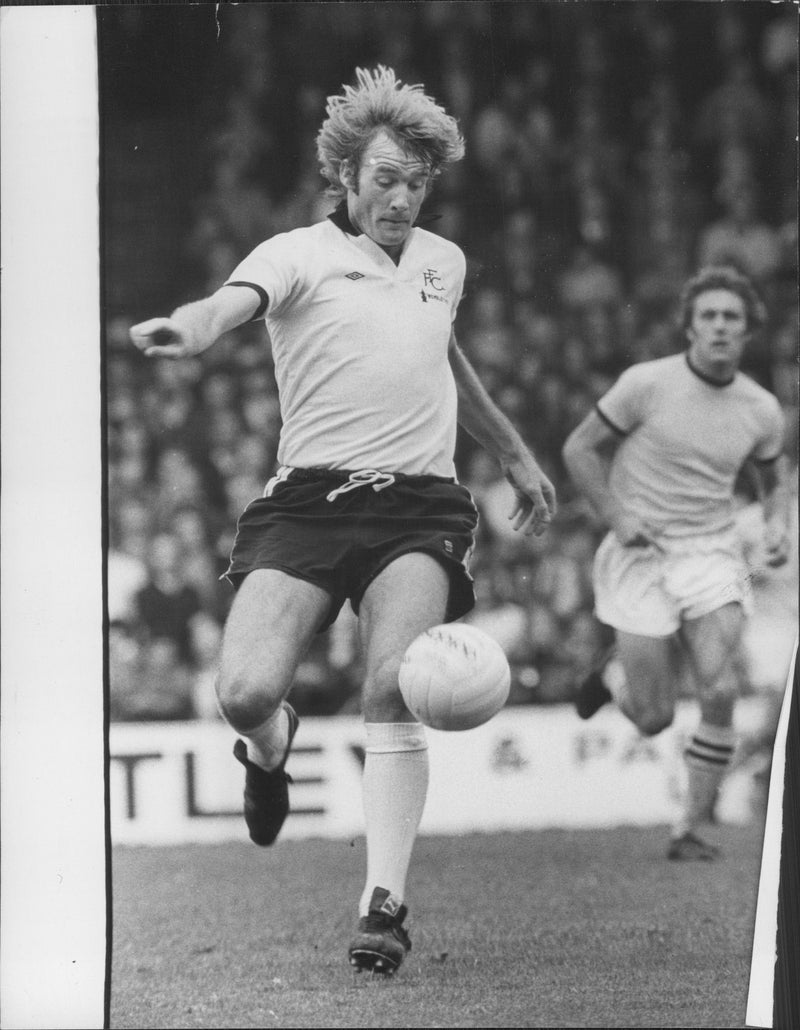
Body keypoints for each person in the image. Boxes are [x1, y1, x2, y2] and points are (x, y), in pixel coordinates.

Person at [130, 66, 556, 974]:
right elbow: (229, 305)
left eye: (416, 182)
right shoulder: (294, 253)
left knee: (390, 685)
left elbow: (445, 361)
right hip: (310, 501)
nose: (401, 198)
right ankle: (271, 742)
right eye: (385, 180)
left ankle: (384, 905)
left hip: (419, 503)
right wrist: (192, 329)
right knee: (242, 692)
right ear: (347, 179)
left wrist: (515, 454)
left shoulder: (444, 262)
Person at [561, 265, 791, 861]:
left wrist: (776, 525)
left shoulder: (761, 409)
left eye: (731, 318)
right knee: (655, 717)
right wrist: (615, 515)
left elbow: (773, 477)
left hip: (711, 552)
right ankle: (613, 678)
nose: (719, 326)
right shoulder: (646, 383)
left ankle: (688, 827)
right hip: (638, 553)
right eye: (708, 315)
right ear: (689, 326)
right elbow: (579, 448)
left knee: (720, 690)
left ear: (747, 332)